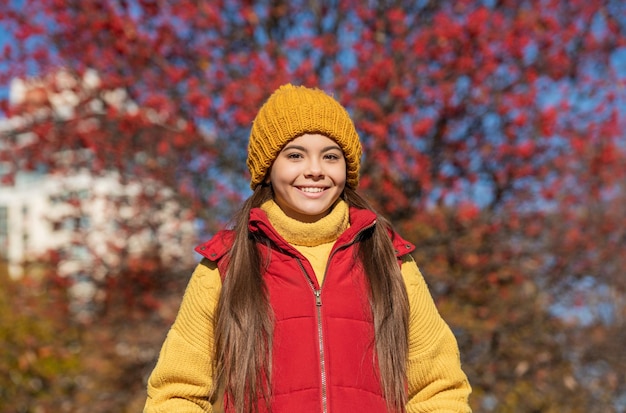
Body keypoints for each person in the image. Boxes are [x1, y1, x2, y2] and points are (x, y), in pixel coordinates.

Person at [143, 84, 472, 413]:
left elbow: (439, 388)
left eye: (330, 156)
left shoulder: (389, 260)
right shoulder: (226, 264)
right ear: (268, 169)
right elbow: (176, 393)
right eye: (295, 155)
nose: (315, 169)